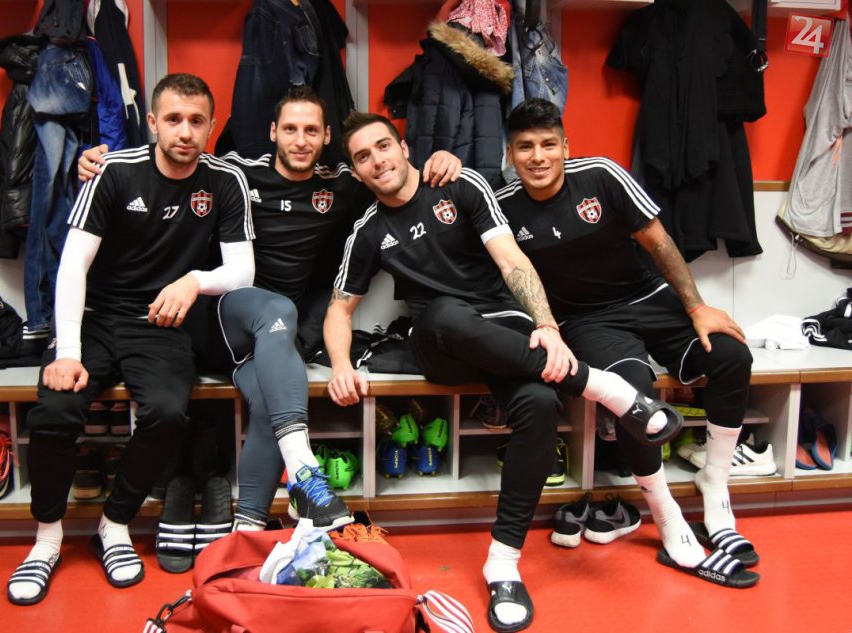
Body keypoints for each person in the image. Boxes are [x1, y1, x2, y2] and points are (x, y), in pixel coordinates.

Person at [324, 111, 682, 633]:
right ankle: (600, 385)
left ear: (404, 147)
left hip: (504, 328)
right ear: (356, 172)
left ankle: (503, 561)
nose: (376, 161)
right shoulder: (369, 231)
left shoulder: (460, 184)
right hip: (440, 343)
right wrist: (339, 365)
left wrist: (547, 326)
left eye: (383, 146)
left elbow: (511, 259)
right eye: (362, 157)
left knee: (540, 403)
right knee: (443, 312)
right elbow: (340, 309)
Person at [77, 86, 463, 533]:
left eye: (312, 131)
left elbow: (392, 175)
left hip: (276, 334)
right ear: (274, 132)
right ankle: (305, 474)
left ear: (326, 138)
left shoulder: (342, 182)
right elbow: (173, 159)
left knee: (270, 401)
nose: (301, 141)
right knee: (277, 311)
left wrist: (440, 161)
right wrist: (95, 161)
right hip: (220, 317)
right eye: (291, 129)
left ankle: (248, 527)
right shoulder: (237, 172)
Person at [6, 73, 256, 605]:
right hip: (94, 317)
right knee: (55, 410)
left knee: (167, 412)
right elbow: (72, 263)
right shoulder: (113, 170)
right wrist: (67, 352)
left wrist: (193, 280)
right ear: (152, 122)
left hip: (159, 322)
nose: (185, 131)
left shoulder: (225, 180)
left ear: (212, 125)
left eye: (196, 121)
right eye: (174, 119)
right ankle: (46, 538)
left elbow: (243, 271)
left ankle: (114, 523)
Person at [496, 98, 759, 588]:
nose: (538, 156)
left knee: (731, 355)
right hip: (586, 321)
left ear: (565, 146)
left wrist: (697, 306)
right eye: (525, 147)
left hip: (647, 296)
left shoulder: (601, 175)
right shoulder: (503, 204)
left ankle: (715, 483)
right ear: (510, 154)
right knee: (635, 395)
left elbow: (659, 242)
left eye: (548, 144)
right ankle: (665, 513)